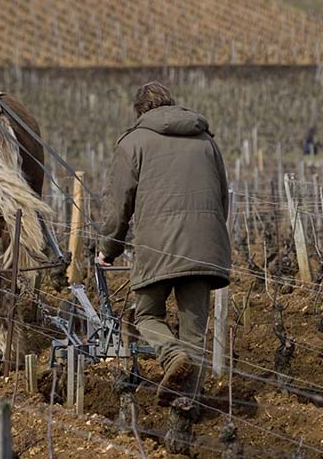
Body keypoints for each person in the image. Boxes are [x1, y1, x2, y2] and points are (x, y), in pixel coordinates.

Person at [97, 81, 231, 407]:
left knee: (146, 315)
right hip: (204, 247)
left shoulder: (134, 142)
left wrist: (108, 248)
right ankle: (188, 408)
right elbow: (222, 197)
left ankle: (171, 357)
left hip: (157, 248)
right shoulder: (206, 141)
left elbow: (119, 204)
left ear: (141, 110)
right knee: (194, 332)